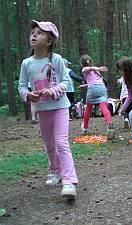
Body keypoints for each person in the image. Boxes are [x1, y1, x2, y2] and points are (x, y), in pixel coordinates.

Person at [18, 20, 78, 199]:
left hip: (60, 107)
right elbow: (22, 86)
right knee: (49, 144)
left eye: (39, 33)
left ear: (49, 41)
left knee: (61, 142)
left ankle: (69, 182)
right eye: (33, 32)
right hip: (42, 109)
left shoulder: (57, 59)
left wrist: (52, 91)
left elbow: (67, 82)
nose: (34, 35)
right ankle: (55, 170)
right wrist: (29, 96)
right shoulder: (26, 63)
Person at [79, 55, 115, 139]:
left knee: (88, 109)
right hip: (101, 88)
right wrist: (84, 85)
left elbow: (88, 70)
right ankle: (109, 124)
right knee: (104, 108)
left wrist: (97, 69)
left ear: (81, 64)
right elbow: (94, 80)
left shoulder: (85, 69)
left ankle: (85, 128)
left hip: (92, 90)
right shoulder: (96, 71)